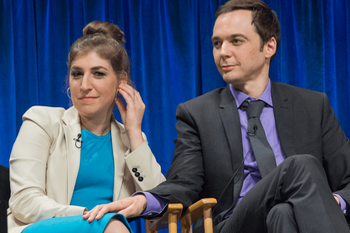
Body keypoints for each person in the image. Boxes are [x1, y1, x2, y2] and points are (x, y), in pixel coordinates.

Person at [83, 1, 350, 232]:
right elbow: (183, 184)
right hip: (233, 222)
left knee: (282, 213)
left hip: (292, 219)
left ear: (269, 47)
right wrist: (143, 201)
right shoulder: (197, 114)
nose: (223, 52)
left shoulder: (313, 106)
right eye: (216, 43)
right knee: (300, 166)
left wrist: (331, 203)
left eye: (235, 41)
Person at [7, 21, 165, 233]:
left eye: (98, 73)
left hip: (107, 228)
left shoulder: (133, 141)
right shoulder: (42, 121)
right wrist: (92, 218)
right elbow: (23, 201)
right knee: (114, 226)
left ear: (121, 81)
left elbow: (160, 204)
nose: (84, 86)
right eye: (77, 74)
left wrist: (134, 132)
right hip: (42, 228)